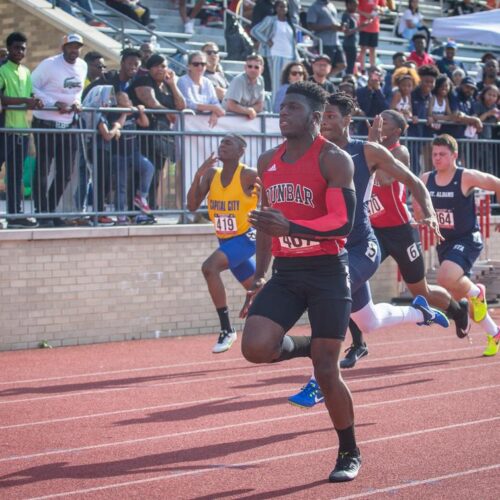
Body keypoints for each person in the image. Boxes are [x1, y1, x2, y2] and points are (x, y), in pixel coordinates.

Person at [287, 92, 448, 405]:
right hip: (333, 249)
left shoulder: (367, 152)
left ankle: (320, 379)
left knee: (331, 295)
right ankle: (420, 311)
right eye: (321, 117)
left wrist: (425, 210)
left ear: (348, 120)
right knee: (369, 322)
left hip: (363, 245)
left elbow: (414, 181)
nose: (324, 123)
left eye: (331, 117)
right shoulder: (315, 152)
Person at [240, 81, 361, 482]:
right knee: (256, 347)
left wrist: (291, 224)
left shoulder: (334, 159)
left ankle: (348, 451)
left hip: (328, 271)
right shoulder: (266, 160)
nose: (283, 113)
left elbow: (341, 223)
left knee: (328, 371)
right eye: (282, 107)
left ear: (313, 117)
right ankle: (311, 345)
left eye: (292, 108)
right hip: (287, 272)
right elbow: (264, 223)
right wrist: (258, 275)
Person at [344, 110, 470, 367]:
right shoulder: (367, 150)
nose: (378, 123)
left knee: (419, 291)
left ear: (396, 131)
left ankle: (458, 310)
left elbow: (383, 178)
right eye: (377, 118)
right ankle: (358, 344)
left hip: (401, 231)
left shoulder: (397, 152)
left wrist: (373, 146)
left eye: (385, 122)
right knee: (347, 279)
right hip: (374, 232)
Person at [417, 134, 500, 356]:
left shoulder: (466, 177)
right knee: (470, 306)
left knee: (445, 277)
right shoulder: (426, 179)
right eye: (434, 154)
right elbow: (416, 199)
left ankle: (477, 291)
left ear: (455, 155)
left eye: (442, 154)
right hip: (445, 243)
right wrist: (421, 215)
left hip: (467, 239)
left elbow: (497, 184)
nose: (437, 158)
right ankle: (495, 332)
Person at [187, 134, 258, 353]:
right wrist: (198, 174)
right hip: (226, 240)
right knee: (259, 292)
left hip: (247, 237)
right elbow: (191, 206)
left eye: (228, 143)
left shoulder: (248, 175)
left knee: (209, 268)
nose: (222, 146)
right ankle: (278, 328)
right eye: (221, 142)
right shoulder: (211, 175)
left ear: (240, 151)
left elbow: (271, 196)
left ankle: (227, 330)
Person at [31, 33, 87, 227]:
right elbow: (31, 86)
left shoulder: (82, 66)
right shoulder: (49, 64)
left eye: (78, 47)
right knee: (43, 169)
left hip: (68, 124)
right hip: (45, 123)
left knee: (65, 172)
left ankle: (50, 210)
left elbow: (78, 91)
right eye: (71, 46)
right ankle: (42, 212)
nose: (74, 50)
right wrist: (53, 103)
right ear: (63, 48)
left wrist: (78, 103)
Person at [128, 54, 186, 209]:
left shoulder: (167, 85)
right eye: (156, 66)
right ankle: (133, 211)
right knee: (141, 174)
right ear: (149, 68)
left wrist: (173, 85)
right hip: (143, 134)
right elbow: (152, 103)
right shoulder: (144, 81)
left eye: (163, 66)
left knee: (157, 175)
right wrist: (169, 112)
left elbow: (181, 106)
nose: (160, 69)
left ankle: (149, 210)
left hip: (162, 137)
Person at [0, 31, 42, 228]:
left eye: (22, 48)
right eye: (16, 48)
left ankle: (15, 216)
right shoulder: (1, 69)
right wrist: (26, 100)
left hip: (22, 132)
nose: (19, 51)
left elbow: (29, 93)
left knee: (16, 176)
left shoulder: (26, 71)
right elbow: (2, 99)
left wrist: (35, 100)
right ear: (9, 48)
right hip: (4, 130)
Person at [250, 0, 299, 99]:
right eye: (280, 7)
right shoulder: (271, 19)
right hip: (276, 54)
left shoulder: (289, 23)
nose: (283, 9)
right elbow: (254, 31)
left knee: (290, 84)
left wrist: (296, 57)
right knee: (277, 84)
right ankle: (275, 110)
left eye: (285, 7)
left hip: (290, 56)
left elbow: (292, 42)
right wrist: (266, 40)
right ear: (276, 8)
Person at [178, 51, 225, 128]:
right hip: (187, 126)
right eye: (196, 64)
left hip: (205, 126)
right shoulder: (182, 81)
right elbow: (189, 104)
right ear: (189, 66)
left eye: (203, 64)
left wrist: (215, 113)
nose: (200, 67)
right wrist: (213, 108)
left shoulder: (207, 82)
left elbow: (216, 102)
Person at [306, 0, 347, 76]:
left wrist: (339, 27)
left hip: (335, 41)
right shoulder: (314, 7)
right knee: (324, 66)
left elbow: (333, 22)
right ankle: (322, 80)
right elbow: (310, 25)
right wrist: (329, 27)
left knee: (342, 65)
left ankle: (324, 79)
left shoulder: (331, 5)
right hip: (323, 42)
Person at [223, 54, 265, 120]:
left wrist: (250, 111)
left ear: (262, 69)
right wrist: (248, 111)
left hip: (246, 118)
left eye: (256, 67)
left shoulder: (261, 80)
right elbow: (230, 105)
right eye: (250, 66)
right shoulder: (238, 80)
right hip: (229, 118)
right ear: (245, 67)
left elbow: (260, 106)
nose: (252, 70)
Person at [355, 66, 387, 135]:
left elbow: (385, 108)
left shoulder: (386, 91)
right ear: (368, 74)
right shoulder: (360, 91)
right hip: (363, 127)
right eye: (372, 72)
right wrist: (369, 90)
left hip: (380, 128)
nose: (374, 75)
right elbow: (364, 108)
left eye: (378, 73)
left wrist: (378, 90)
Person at [357, 0, 385, 72]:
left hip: (375, 26)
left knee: (373, 49)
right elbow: (355, 8)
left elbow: (384, 9)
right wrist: (365, 14)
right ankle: (362, 69)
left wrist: (378, 8)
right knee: (363, 48)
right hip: (364, 25)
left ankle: (372, 68)